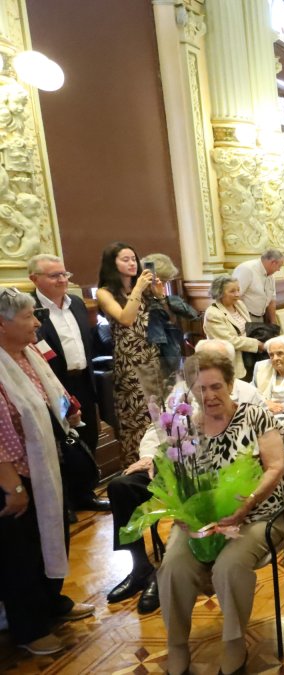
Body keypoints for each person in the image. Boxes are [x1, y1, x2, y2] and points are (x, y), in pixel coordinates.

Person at [108, 340, 266, 616]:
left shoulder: (247, 393)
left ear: (228, 373)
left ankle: (167, 572)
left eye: (213, 366)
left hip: (219, 477)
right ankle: (139, 566)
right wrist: (149, 456)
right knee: (121, 486)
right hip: (174, 465)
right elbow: (158, 428)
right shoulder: (183, 392)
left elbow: (258, 436)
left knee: (190, 501)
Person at [158, 350, 284, 675]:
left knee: (229, 566)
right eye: (201, 389)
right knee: (172, 566)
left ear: (231, 384)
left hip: (256, 515)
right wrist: (181, 510)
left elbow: (276, 467)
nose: (209, 395)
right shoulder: (184, 428)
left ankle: (234, 644)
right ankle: (176, 645)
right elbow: (176, 480)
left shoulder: (255, 416)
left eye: (216, 386)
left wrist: (248, 503)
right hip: (201, 522)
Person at [0, 289, 94, 656]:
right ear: (3, 324)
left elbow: (48, 393)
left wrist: (66, 408)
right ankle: (29, 626)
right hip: (15, 477)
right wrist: (11, 485)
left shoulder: (28, 353)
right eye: (28, 317)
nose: (37, 323)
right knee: (19, 554)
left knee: (51, 537)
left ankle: (50, 602)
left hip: (47, 465)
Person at [28, 254, 107, 513]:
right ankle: (66, 503)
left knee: (87, 438)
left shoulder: (76, 303)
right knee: (60, 444)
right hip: (52, 386)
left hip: (82, 380)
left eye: (65, 274)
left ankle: (85, 494)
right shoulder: (29, 309)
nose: (62, 280)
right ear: (34, 279)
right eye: (54, 276)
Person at [96, 242, 162, 466]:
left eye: (134, 258)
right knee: (137, 417)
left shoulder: (141, 289)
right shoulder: (105, 293)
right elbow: (126, 319)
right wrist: (138, 290)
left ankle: (162, 462)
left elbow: (158, 322)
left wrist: (159, 296)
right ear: (111, 263)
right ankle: (138, 466)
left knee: (157, 414)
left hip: (151, 357)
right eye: (125, 259)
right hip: (130, 362)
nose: (132, 263)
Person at [203, 275, 265, 381]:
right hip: (230, 361)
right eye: (232, 291)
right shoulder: (213, 314)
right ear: (220, 293)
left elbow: (247, 328)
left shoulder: (239, 304)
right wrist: (256, 344)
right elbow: (228, 340)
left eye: (238, 290)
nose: (237, 294)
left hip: (248, 356)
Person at [231, 249, 283, 324]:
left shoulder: (271, 275)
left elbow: (272, 299)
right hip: (244, 317)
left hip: (260, 317)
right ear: (273, 263)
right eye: (279, 266)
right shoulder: (247, 269)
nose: (279, 270)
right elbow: (234, 296)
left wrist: (273, 321)